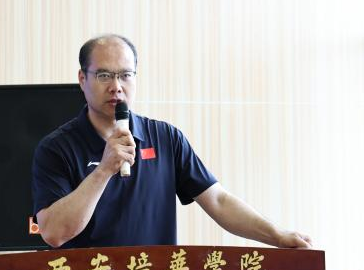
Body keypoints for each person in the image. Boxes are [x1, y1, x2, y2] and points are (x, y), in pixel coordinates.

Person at [32, 34, 312, 250]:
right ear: (82, 79)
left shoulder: (166, 138)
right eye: (104, 75)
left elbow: (218, 201)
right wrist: (104, 170)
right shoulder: (56, 149)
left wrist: (277, 236)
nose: (116, 86)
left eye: (125, 75)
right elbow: (54, 233)